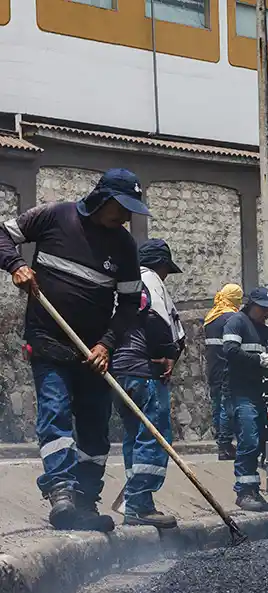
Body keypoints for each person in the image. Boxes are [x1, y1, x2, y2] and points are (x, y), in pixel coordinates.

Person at [0, 169, 148, 531]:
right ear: (102, 198)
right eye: (121, 208)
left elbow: (130, 305)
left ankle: (84, 503)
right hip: (48, 340)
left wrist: (106, 345)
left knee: (96, 431)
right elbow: (2, 235)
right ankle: (61, 492)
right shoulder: (54, 216)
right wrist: (16, 265)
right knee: (55, 413)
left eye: (131, 210)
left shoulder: (125, 248)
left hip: (93, 352)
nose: (126, 217)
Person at [111, 242, 183, 528]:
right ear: (160, 265)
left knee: (135, 435)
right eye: (167, 270)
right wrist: (166, 353)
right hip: (144, 371)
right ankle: (139, 503)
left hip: (121, 371)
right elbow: (155, 317)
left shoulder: (121, 283)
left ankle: (136, 501)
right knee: (153, 434)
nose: (166, 276)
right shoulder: (149, 280)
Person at [223, 287, 268, 511]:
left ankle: (252, 489)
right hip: (239, 392)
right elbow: (230, 351)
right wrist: (257, 361)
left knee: (258, 442)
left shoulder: (264, 331)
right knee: (249, 440)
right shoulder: (236, 322)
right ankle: (244, 492)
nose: (267, 313)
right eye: (263, 308)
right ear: (251, 305)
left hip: (257, 393)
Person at [204, 284, 243, 460]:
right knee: (226, 408)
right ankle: (225, 446)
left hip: (213, 369)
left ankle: (221, 442)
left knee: (217, 406)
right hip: (227, 369)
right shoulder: (233, 318)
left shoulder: (211, 318)